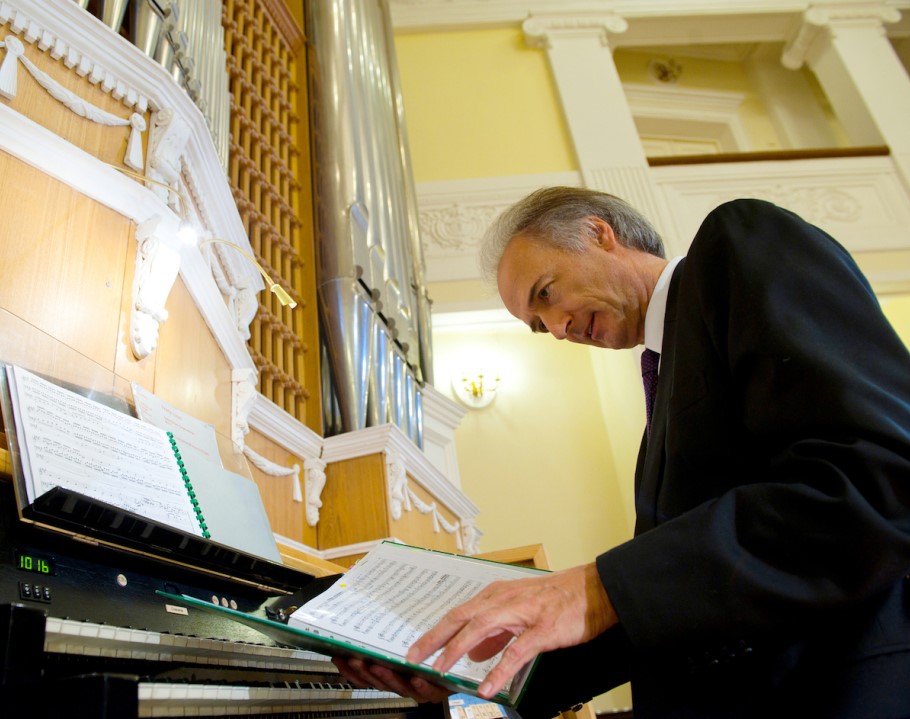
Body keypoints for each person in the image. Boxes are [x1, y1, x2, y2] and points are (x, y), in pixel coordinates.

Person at [335, 187, 910, 718]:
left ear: (598, 232)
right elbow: (682, 599)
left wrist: (601, 585)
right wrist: (475, 666)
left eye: (546, 293)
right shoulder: (663, 383)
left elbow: (878, 478)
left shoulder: (735, 244)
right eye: (540, 326)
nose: (558, 330)